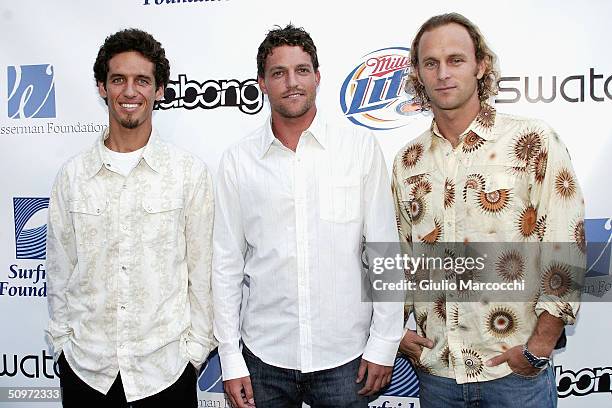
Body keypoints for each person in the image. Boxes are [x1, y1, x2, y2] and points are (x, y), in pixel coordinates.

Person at [392, 13, 585, 408]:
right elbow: (399, 256)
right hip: (438, 374)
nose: (443, 73)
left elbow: (567, 243)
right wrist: (393, 333)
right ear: (419, 74)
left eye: (456, 60)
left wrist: (539, 348)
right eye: (431, 63)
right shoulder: (407, 161)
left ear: (481, 65)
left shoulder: (532, 140)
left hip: (513, 375)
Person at [212, 24, 403, 408]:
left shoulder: (358, 148)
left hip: (345, 358)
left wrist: (384, 343)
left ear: (317, 77)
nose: (291, 82)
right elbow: (226, 264)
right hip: (264, 357)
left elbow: (384, 251)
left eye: (301, 70)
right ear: (262, 84)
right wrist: (230, 358)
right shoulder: (238, 161)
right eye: (278, 73)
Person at [45, 28, 215, 407]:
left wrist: (194, 352)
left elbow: (202, 275)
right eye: (118, 79)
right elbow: (59, 271)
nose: (129, 91)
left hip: (166, 372)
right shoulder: (72, 177)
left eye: (142, 80)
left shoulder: (188, 173)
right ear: (102, 87)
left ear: (159, 90)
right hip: (87, 371)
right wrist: (62, 344)